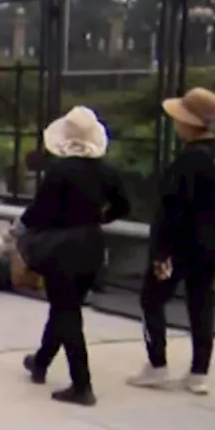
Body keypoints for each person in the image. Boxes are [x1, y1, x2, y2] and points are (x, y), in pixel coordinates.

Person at [19, 106, 130, 406]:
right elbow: (123, 207)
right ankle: (40, 362)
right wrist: (97, 218)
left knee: (67, 313)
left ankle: (82, 384)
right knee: (64, 307)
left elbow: (39, 210)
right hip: (92, 244)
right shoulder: (107, 171)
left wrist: (18, 229)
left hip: (61, 248)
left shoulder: (59, 171)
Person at [128, 87, 215, 395]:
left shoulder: (186, 162)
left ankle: (157, 364)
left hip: (176, 249)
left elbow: (172, 210)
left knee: (152, 299)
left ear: (188, 123)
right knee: (201, 301)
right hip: (211, 247)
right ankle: (199, 372)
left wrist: (161, 252)